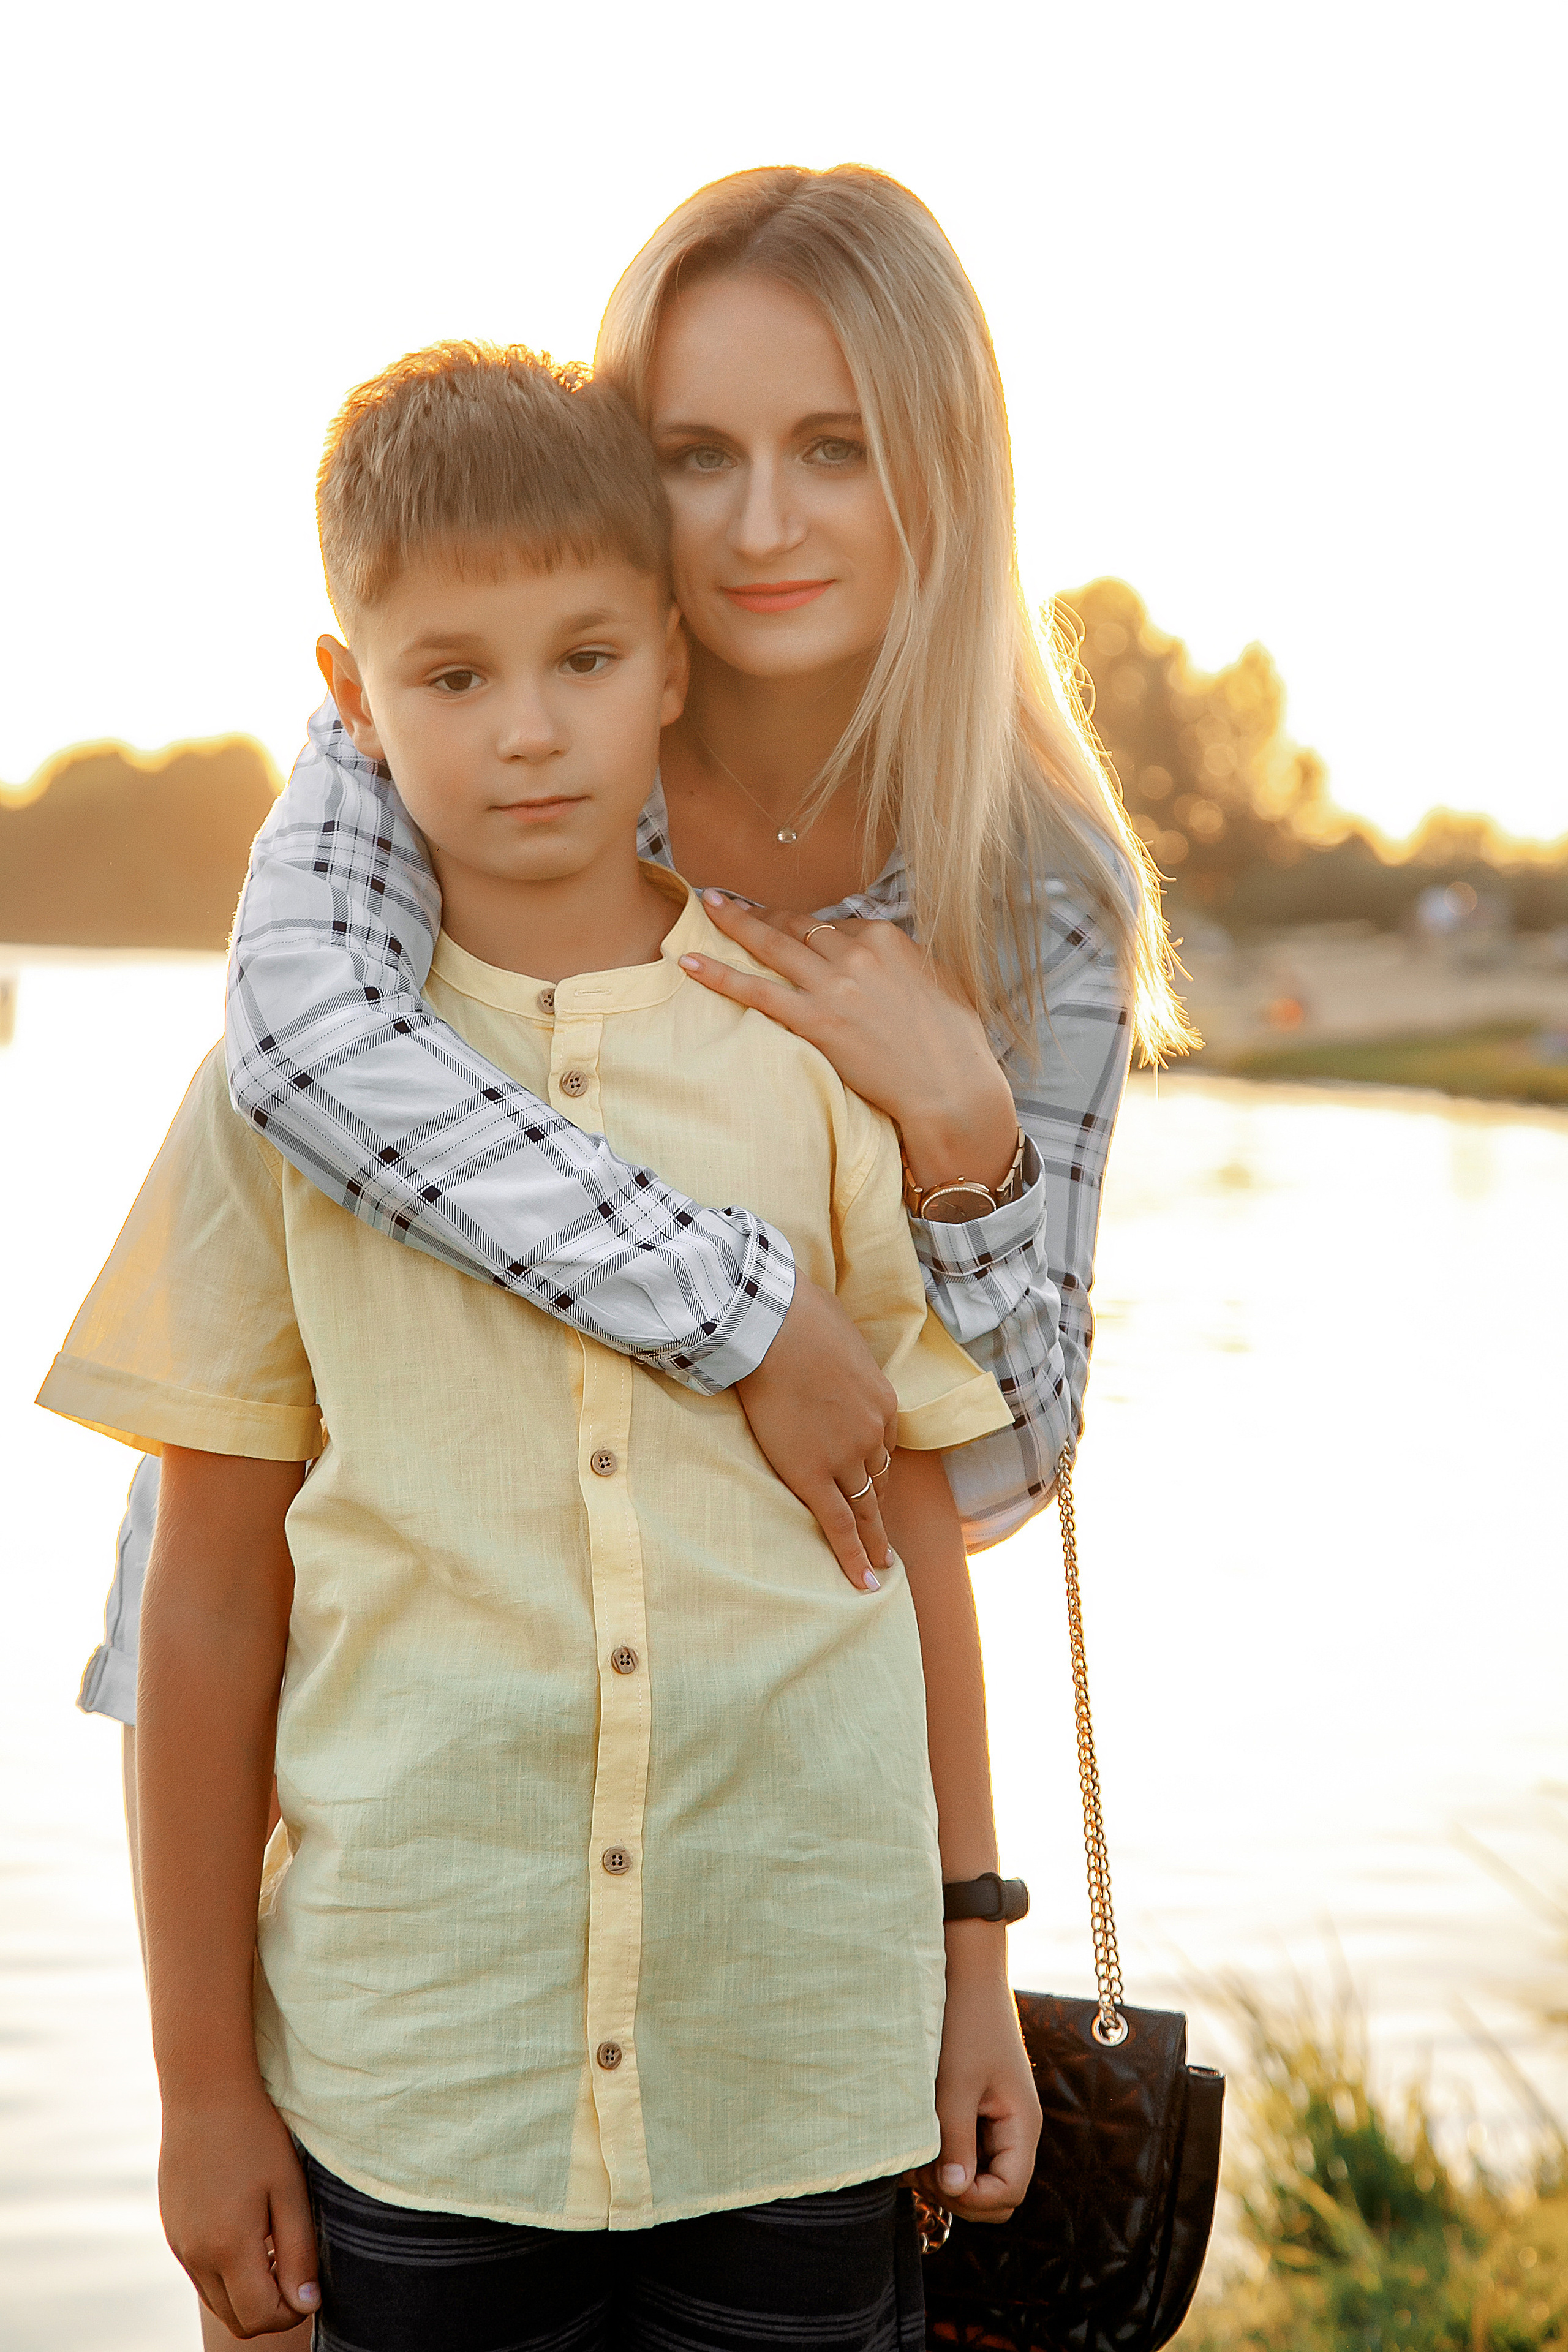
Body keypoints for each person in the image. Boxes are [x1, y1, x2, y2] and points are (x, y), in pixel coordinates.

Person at [41, 341, 1039, 2348]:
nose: (526, 735)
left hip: (803, 2059)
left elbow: (908, 1528)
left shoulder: (813, 1046)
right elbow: (213, 1599)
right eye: (453, 676)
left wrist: (972, 1962)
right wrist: (201, 2086)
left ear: (674, 661)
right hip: (418, 2077)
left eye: (584, 658)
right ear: (351, 696)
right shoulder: (268, 1094)